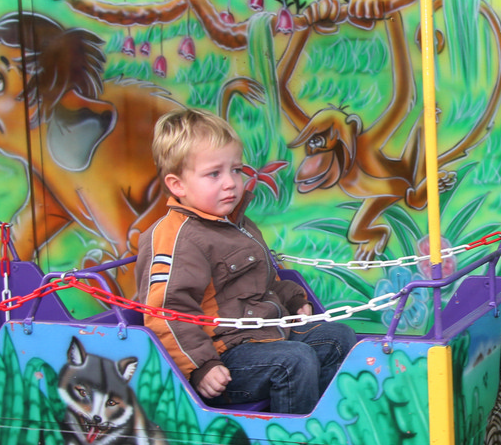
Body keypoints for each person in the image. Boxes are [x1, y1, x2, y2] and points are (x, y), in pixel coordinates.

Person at [137, 108, 355, 413]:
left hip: (266, 334)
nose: (230, 182)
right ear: (178, 185)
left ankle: (330, 422)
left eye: (236, 170)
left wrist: (293, 300)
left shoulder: (236, 222)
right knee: (295, 361)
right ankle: (295, 440)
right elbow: (167, 313)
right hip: (223, 354)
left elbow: (263, 282)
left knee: (340, 337)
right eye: (214, 174)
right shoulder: (178, 237)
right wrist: (200, 366)